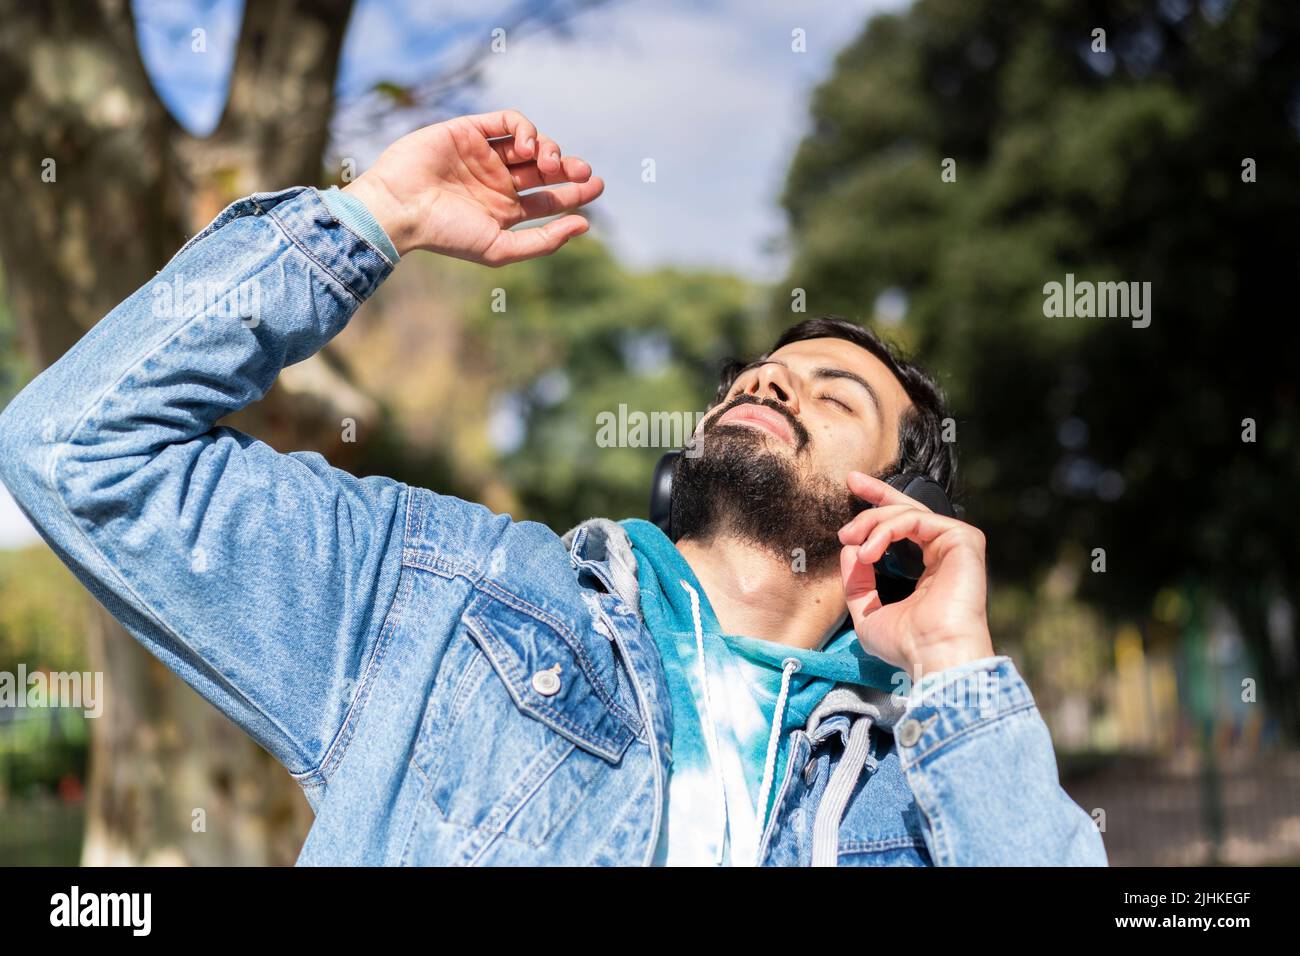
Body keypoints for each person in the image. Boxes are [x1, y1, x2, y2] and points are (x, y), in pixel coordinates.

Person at [0, 110, 1107, 866]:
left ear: (897, 519)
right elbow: (77, 446)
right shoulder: (437, 598)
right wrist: (373, 215)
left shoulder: (911, 798)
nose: (772, 378)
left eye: (836, 394)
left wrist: (954, 664)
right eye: (764, 372)